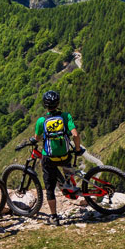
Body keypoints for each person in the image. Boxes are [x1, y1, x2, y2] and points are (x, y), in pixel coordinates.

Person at [34, 90, 83, 226]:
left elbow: (37, 138)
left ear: (45, 105)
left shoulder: (41, 121)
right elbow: (75, 135)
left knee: (49, 187)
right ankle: (71, 188)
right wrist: (77, 149)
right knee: (67, 169)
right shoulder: (66, 116)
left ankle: (54, 217)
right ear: (58, 103)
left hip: (49, 158)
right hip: (65, 156)